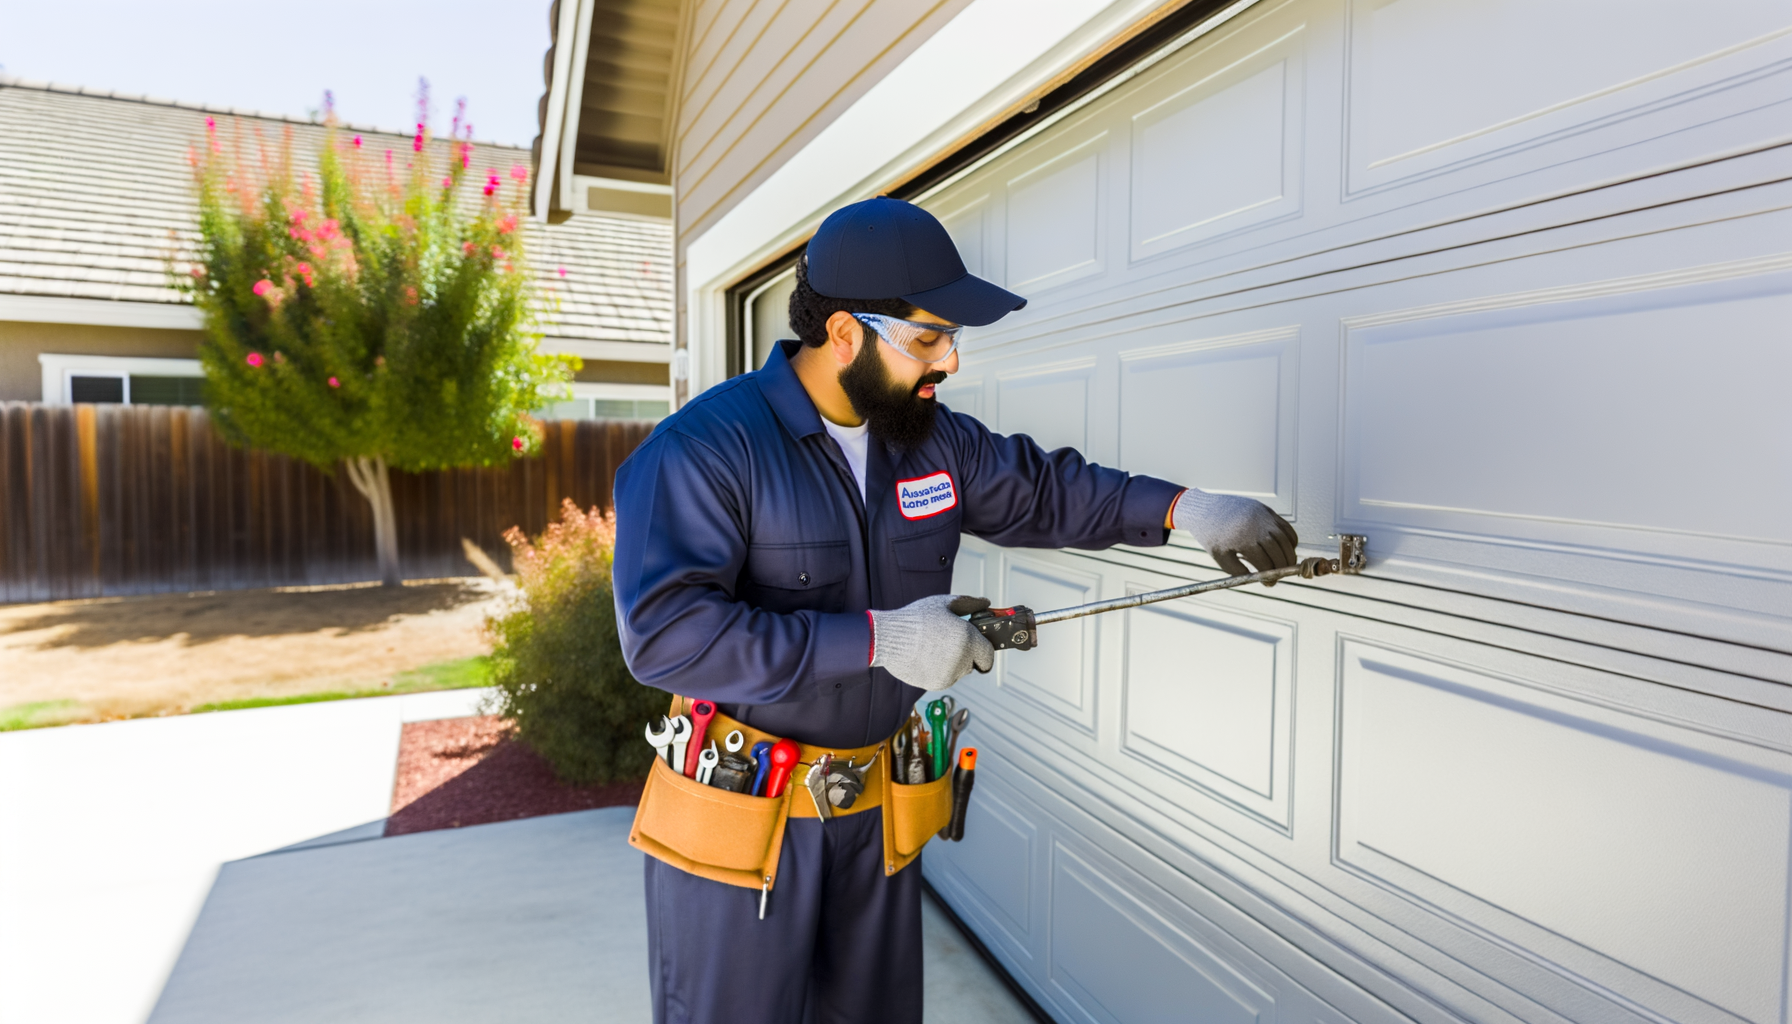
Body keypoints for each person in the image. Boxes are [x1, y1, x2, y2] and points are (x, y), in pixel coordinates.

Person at [611, 197, 1297, 1024]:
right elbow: (666, 638)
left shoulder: (927, 441)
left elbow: (1046, 489)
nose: (951, 363)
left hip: (872, 819)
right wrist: (880, 640)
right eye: (929, 339)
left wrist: (1184, 508)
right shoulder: (707, 450)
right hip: (744, 827)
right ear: (843, 335)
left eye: (953, 340)